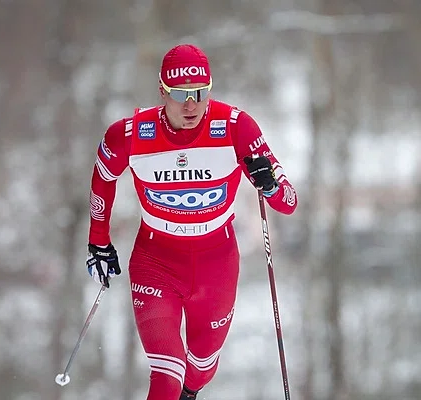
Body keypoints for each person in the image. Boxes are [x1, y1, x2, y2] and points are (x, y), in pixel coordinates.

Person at [85, 44, 298, 400]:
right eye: (181, 95)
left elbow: (289, 202)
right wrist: (99, 240)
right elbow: (103, 175)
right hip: (156, 261)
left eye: (200, 94)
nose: (191, 105)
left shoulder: (236, 127)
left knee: (200, 367)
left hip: (217, 263)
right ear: (162, 91)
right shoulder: (131, 134)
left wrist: (272, 186)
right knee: (168, 372)